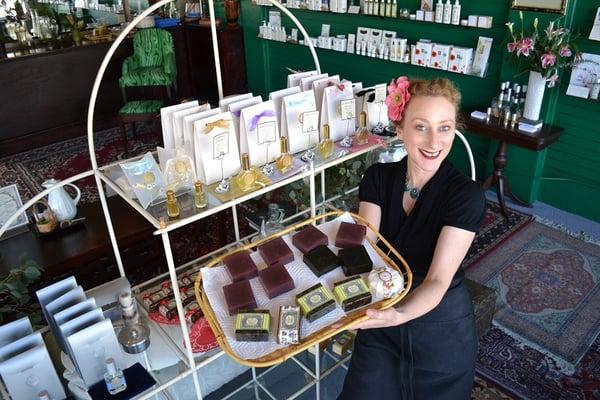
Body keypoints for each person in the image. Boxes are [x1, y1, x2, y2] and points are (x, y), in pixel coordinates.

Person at [338, 77, 486, 400]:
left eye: (445, 128)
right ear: (400, 128)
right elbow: (366, 251)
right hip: (383, 317)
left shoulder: (466, 196)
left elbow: (436, 280)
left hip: (440, 330)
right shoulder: (377, 179)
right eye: (421, 127)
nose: (434, 141)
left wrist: (400, 314)